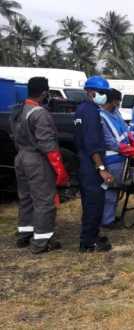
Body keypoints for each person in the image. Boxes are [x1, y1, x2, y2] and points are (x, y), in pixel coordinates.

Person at [10, 77, 70, 254]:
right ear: (44, 93)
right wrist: (60, 169)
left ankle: (25, 234)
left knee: (26, 197)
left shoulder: (19, 110)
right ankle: (42, 241)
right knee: (44, 200)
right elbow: (48, 145)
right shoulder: (39, 113)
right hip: (37, 160)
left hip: (21, 156)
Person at [74, 75, 114, 252]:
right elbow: (92, 145)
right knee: (94, 205)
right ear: (90, 91)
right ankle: (88, 242)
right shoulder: (90, 112)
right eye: (101, 92)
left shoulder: (82, 109)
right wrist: (102, 169)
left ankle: (92, 235)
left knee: (90, 204)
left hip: (84, 163)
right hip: (91, 167)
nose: (104, 95)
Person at [99, 89, 134, 228]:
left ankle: (110, 216)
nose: (119, 104)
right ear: (113, 101)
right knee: (110, 189)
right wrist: (132, 150)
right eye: (118, 101)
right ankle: (107, 221)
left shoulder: (115, 113)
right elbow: (110, 143)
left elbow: (126, 129)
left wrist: (133, 140)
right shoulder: (101, 116)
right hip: (111, 158)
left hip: (121, 158)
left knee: (116, 188)